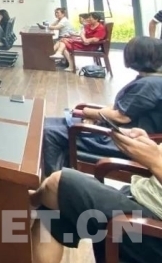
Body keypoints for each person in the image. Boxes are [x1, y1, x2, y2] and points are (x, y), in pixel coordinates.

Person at [30, 127, 162, 263]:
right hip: (141, 195)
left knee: (57, 184)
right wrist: (150, 147)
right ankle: (33, 199)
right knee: (52, 212)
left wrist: (155, 161)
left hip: (153, 228)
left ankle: (29, 201)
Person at [41, 36, 162, 176]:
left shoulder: (149, 85)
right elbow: (119, 107)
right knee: (44, 123)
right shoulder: (150, 80)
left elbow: (121, 117)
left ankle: (54, 181)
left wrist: (87, 112)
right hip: (115, 130)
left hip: (120, 140)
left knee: (49, 133)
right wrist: (96, 115)